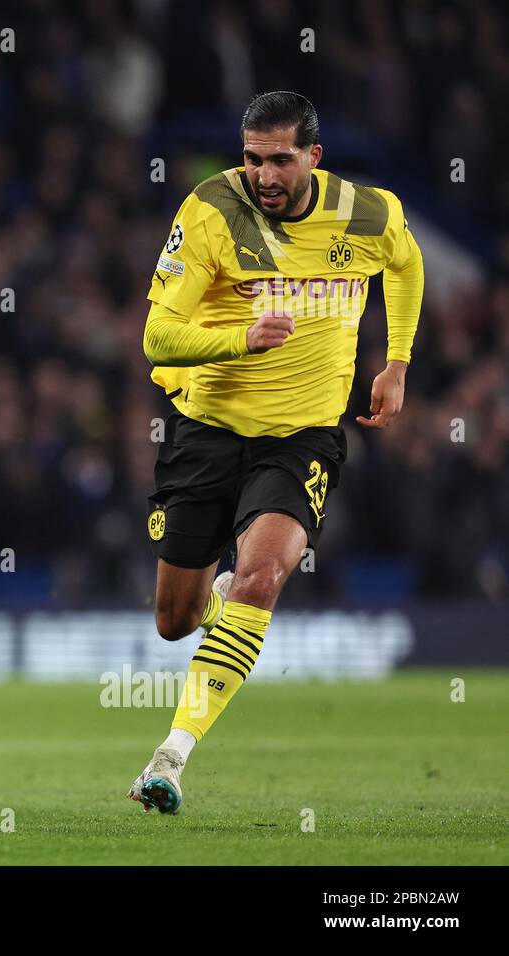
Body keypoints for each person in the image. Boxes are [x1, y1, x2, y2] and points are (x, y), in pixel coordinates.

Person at [128, 91, 423, 814]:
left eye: (280, 159)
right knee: (175, 619)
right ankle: (214, 599)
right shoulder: (210, 211)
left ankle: (171, 757)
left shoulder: (368, 213)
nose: (263, 173)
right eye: (252, 158)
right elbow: (157, 338)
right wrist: (240, 338)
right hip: (208, 429)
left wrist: (398, 362)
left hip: (303, 438)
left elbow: (407, 266)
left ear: (313, 156)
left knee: (261, 578)